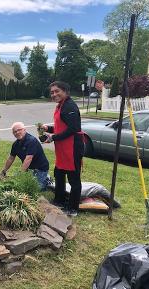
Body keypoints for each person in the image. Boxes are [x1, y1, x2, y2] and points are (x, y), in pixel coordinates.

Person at [42, 81, 84, 217]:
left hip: (72, 148)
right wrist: (48, 128)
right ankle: (59, 200)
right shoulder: (61, 105)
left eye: (57, 91)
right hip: (62, 148)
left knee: (74, 179)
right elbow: (62, 126)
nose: (54, 94)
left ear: (65, 91)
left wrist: (53, 137)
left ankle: (73, 208)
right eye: (52, 92)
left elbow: (73, 128)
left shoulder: (70, 106)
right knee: (59, 174)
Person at [1, 122, 49, 190]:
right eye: (14, 132)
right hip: (29, 169)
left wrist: (21, 174)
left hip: (40, 169)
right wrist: (3, 171)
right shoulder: (15, 144)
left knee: (35, 189)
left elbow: (28, 159)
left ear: (24, 130)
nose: (17, 132)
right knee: (18, 184)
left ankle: (46, 180)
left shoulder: (31, 141)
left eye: (19, 130)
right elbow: (11, 158)